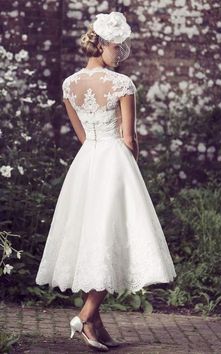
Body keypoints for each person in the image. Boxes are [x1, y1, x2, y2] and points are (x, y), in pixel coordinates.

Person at [35, 11, 177, 352]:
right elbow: (129, 138)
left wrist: (97, 156)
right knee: (113, 239)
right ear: (100, 45)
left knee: (92, 239)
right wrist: (130, 166)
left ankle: (96, 325)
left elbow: (82, 136)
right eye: (117, 46)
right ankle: (86, 317)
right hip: (115, 161)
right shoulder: (122, 84)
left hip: (87, 164)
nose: (121, 52)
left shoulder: (69, 84)